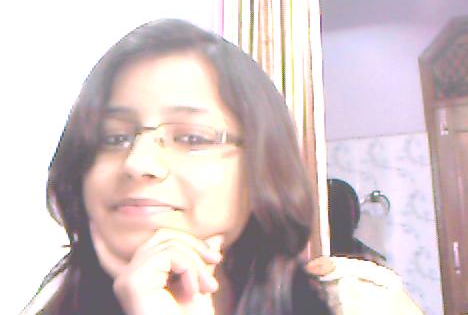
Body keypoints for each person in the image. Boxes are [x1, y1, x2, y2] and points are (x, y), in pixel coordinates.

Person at [26, 19, 423, 315]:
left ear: (260, 167)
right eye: (112, 138)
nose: (138, 162)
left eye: (192, 137)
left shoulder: (359, 305)